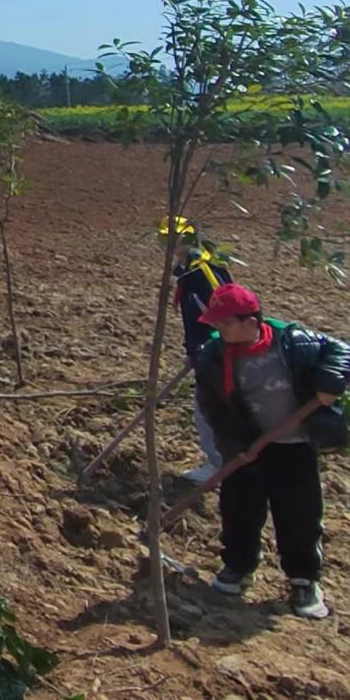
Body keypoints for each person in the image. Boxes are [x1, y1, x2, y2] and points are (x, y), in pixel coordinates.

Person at [194, 283, 348, 619]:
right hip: (247, 447)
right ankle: (237, 566)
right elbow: (212, 406)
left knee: (299, 517)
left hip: (294, 448)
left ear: (249, 320)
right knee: (238, 511)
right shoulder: (213, 356)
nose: (219, 330)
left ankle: (303, 580)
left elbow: (340, 351)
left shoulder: (293, 342)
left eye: (225, 323)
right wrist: (235, 447)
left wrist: (330, 383)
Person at [160, 216, 234, 482]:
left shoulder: (202, 272)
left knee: (208, 407)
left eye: (171, 239)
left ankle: (218, 464)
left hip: (219, 352)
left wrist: (206, 351)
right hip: (207, 351)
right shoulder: (188, 271)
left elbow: (224, 313)